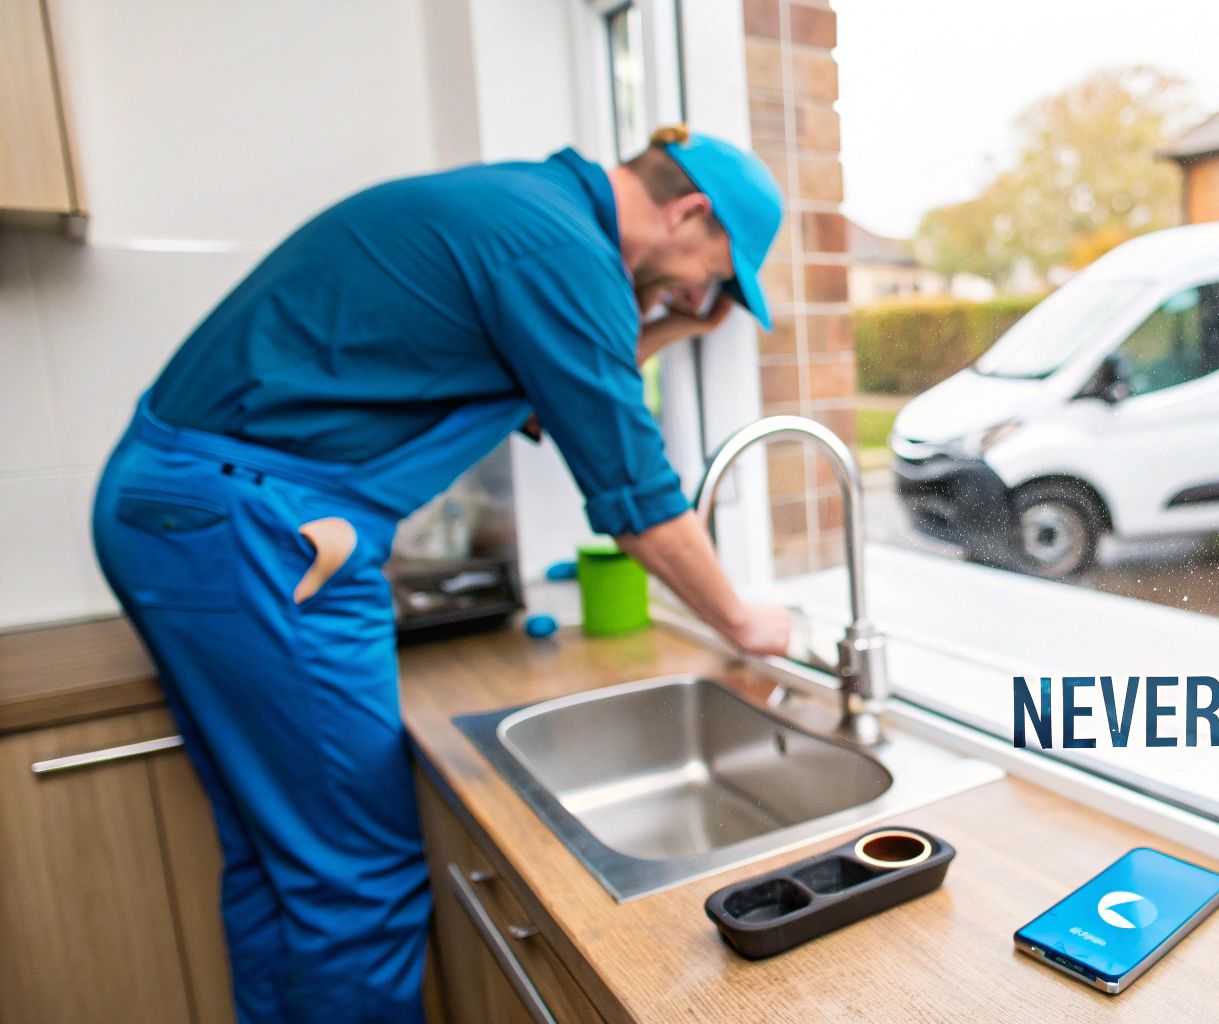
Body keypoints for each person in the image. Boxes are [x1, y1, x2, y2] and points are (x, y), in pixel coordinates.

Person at [90, 125, 793, 1023]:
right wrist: (743, 619)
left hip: (183, 507)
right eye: (718, 273)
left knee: (277, 858)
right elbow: (636, 495)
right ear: (689, 211)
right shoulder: (564, 255)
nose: (706, 293)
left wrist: (667, 325)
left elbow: (563, 386)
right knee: (357, 880)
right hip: (252, 528)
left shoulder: (527, 214)